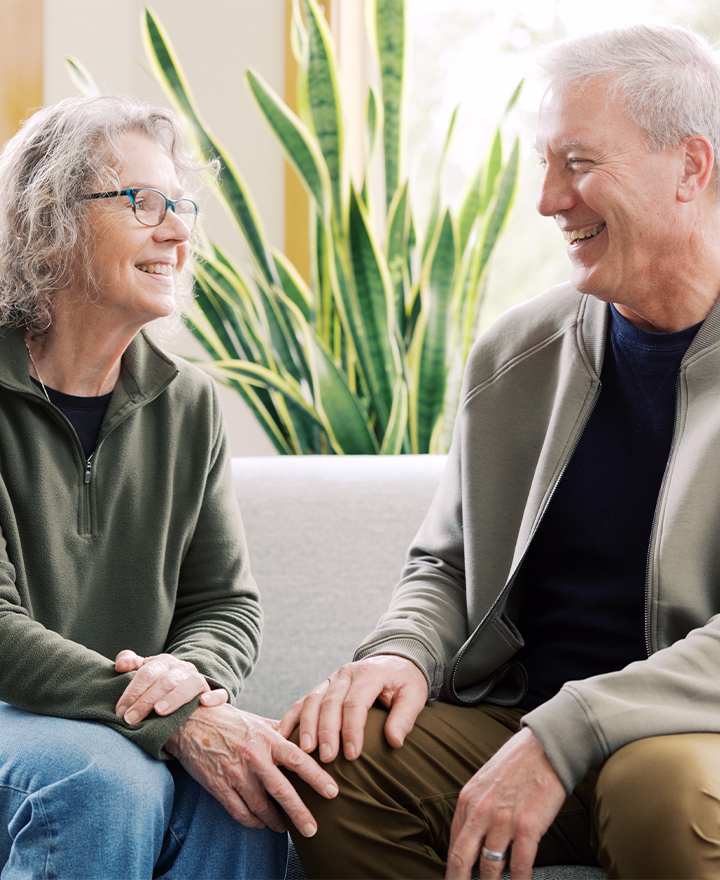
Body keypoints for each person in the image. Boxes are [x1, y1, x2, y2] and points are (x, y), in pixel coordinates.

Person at [279, 22, 720, 880]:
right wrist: (399, 653)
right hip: (522, 715)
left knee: (659, 790)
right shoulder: (516, 356)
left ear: (691, 167)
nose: (549, 201)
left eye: (579, 165)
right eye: (544, 167)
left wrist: (567, 734)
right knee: (335, 764)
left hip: (689, 736)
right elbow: (444, 566)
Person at [0, 94, 337, 880]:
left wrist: (188, 672)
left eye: (181, 205)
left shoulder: (187, 403)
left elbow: (225, 604)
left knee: (245, 794)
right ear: (46, 223)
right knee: (105, 779)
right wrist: (174, 717)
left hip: (113, 719)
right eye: (144, 202)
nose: (180, 231)